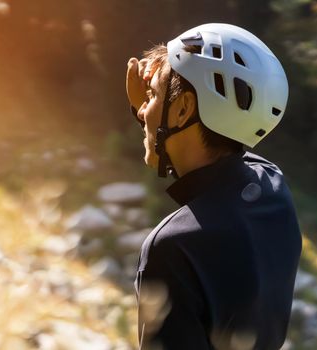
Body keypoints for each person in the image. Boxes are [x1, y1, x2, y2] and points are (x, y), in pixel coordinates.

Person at [125, 23, 302, 350]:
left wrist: (157, 124)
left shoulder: (173, 248)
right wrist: (154, 115)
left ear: (183, 109)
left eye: (152, 97)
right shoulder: (272, 185)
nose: (144, 108)